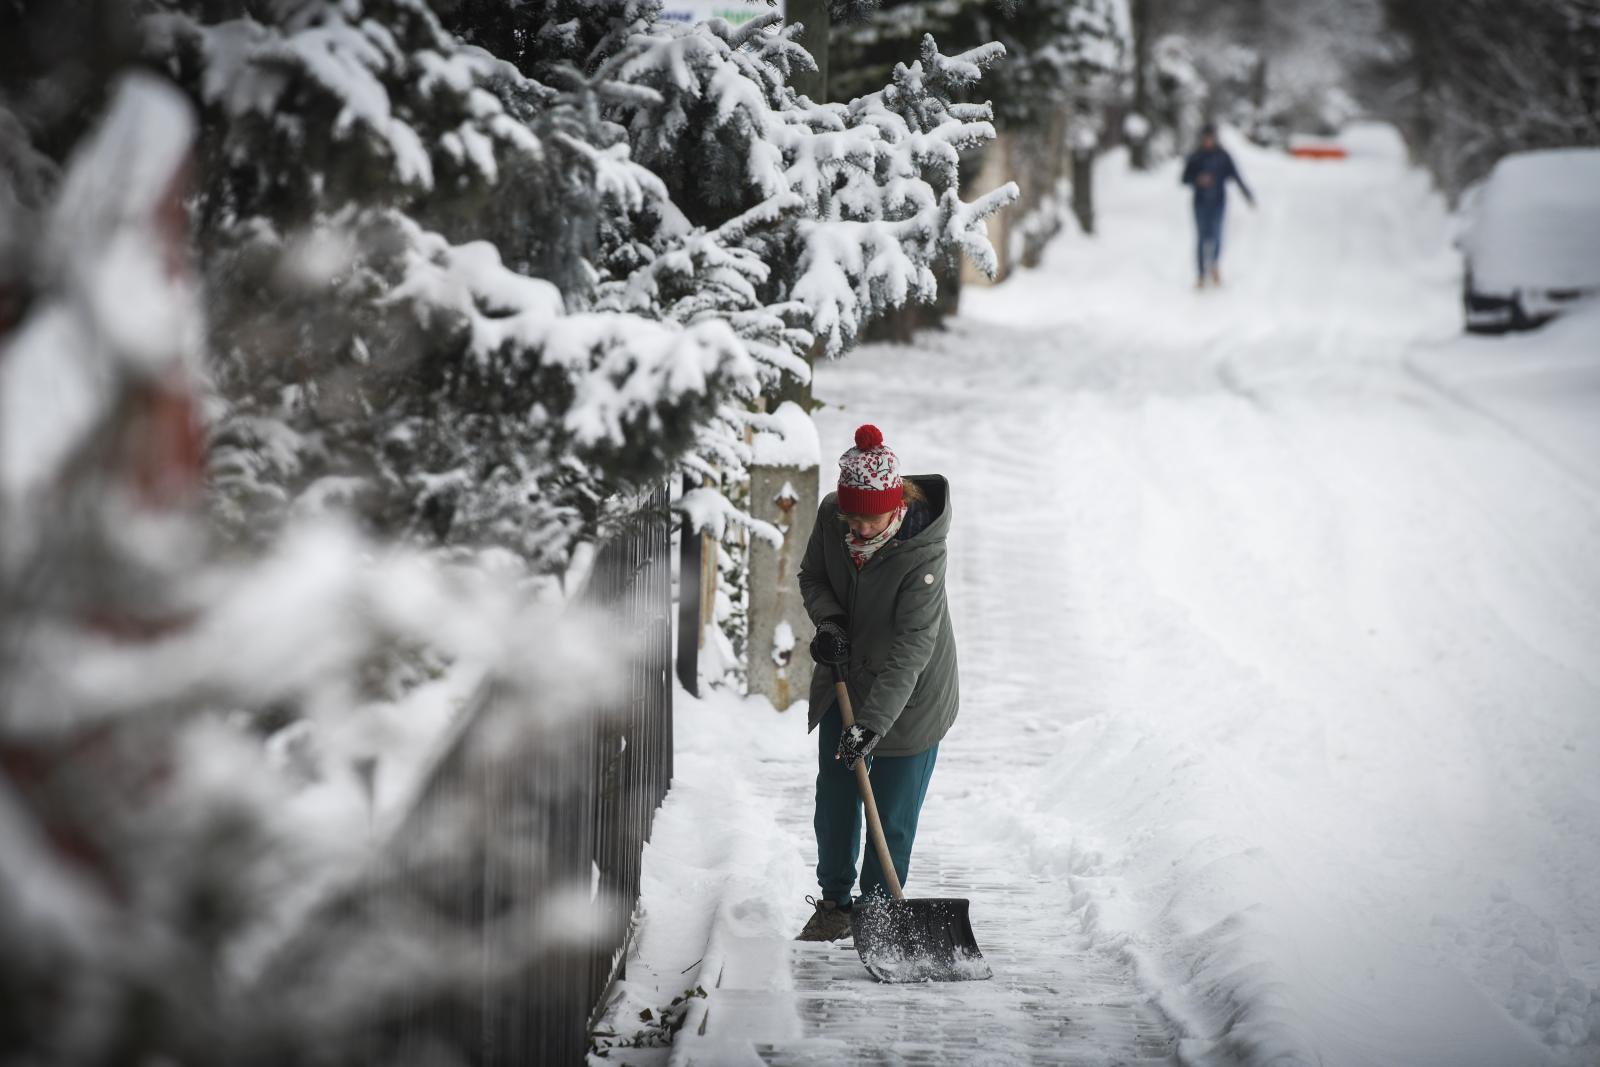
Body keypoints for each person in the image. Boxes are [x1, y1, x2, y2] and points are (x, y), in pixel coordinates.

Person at [793, 424, 959, 941]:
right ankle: (835, 906)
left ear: (896, 507)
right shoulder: (833, 515)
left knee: (890, 814)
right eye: (853, 519)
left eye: (871, 520)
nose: (861, 530)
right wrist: (830, 622)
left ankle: (880, 915)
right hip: (846, 680)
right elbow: (813, 576)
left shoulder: (922, 554)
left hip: (910, 698)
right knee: (836, 801)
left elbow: (912, 648)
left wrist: (872, 725)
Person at [1181, 123, 1255, 288]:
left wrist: (1247, 194)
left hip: (1218, 203)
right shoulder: (1196, 156)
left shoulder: (1223, 156)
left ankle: (1214, 264)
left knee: (1216, 236)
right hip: (1200, 203)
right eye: (1205, 138)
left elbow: (1236, 176)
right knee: (1201, 238)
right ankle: (1201, 274)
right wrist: (1198, 179)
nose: (1208, 141)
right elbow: (1184, 178)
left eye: (1210, 138)